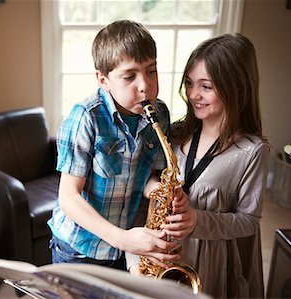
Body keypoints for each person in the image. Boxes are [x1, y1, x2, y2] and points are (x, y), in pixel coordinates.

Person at [127, 33, 269, 298]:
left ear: (235, 87)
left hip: (208, 265)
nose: (193, 95)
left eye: (206, 86)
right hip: (160, 259)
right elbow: (144, 186)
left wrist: (197, 221)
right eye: (190, 83)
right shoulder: (174, 133)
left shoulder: (252, 151)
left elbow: (249, 221)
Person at [47, 20, 191, 271]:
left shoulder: (159, 114)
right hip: (79, 249)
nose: (145, 85)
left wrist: (160, 192)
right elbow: (68, 196)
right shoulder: (85, 117)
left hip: (123, 249)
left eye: (151, 70)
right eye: (129, 76)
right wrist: (121, 238)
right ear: (103, 80)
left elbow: (150, 175)